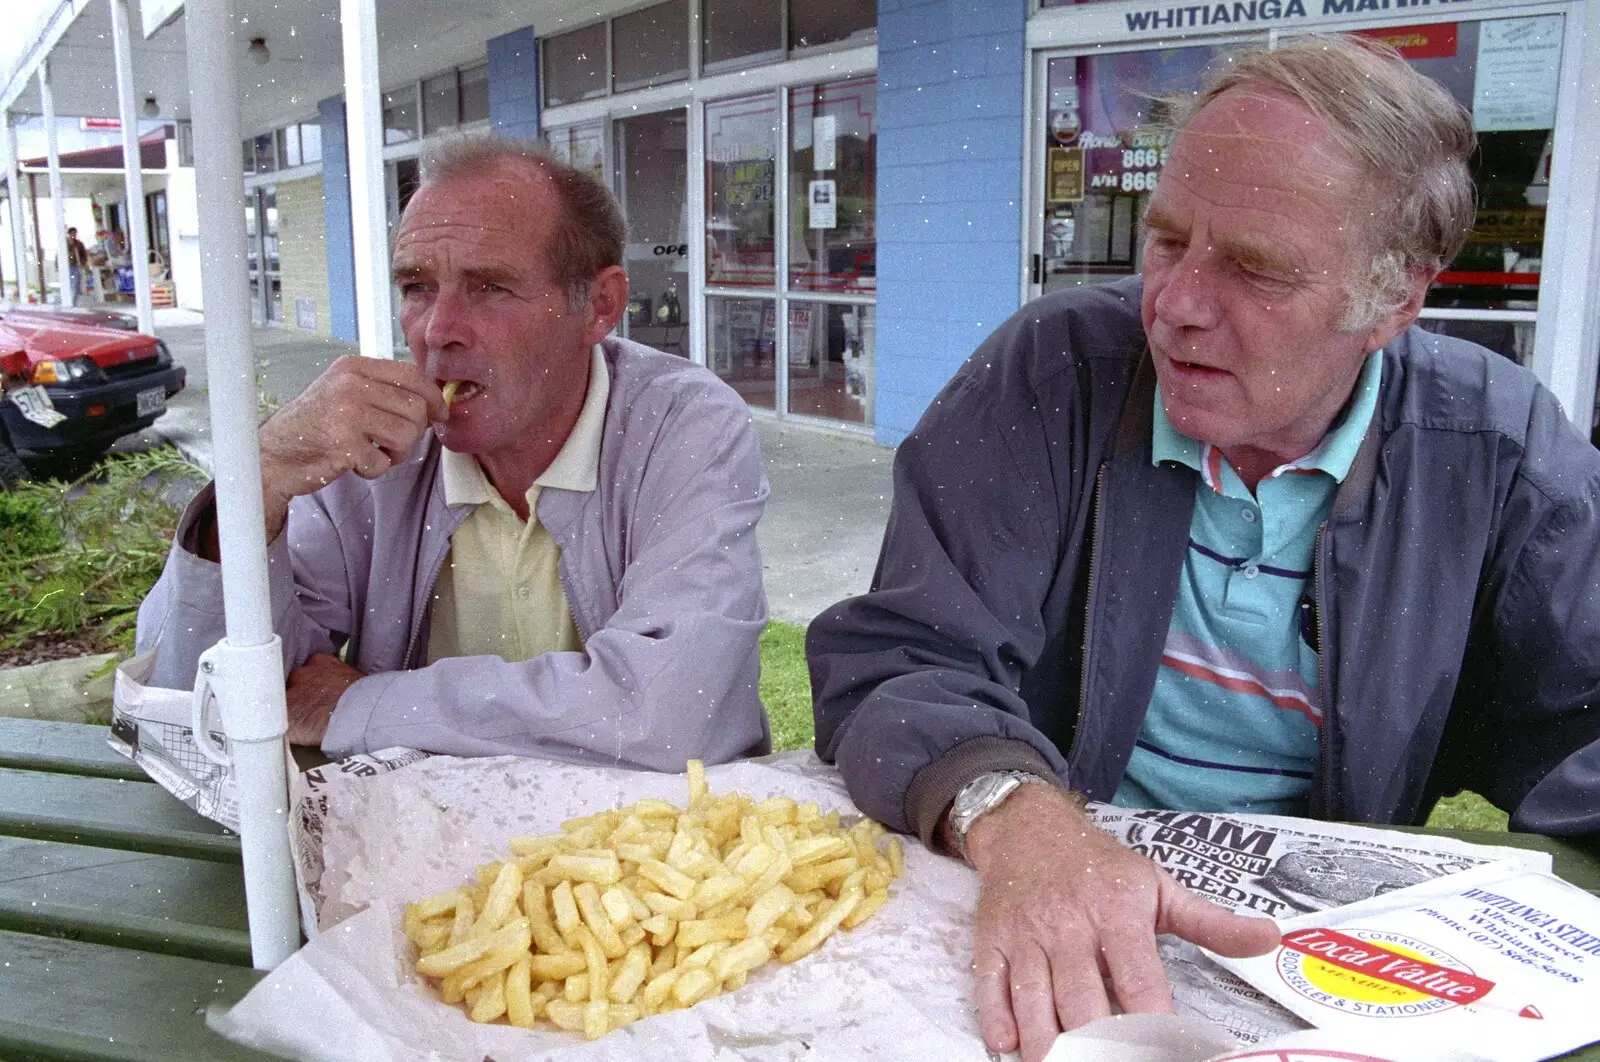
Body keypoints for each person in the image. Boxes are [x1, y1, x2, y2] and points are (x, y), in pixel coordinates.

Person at [807, 35, 1600, 1062]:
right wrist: (1015, 815)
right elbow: (903, 658)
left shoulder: (1491, 448)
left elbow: (1581, 722)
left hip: (1298, 965)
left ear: (1393, 301)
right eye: (1167, 239)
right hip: (1023, 894)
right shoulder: (1052, 375)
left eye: (1255, 269)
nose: (1175, 305)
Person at [137, 135, 772, 769]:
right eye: (416, 287)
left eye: (490, 287)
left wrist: (363, 706)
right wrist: (260, 480)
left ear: (599, 306)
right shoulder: (374, 449)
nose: (438, 330)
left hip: (647, 849)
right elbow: (204, 695)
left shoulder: (682, 424)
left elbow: (667, 713)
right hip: (420, 841)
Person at [65, 227, 89, 299]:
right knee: (68, 284)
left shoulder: (79, 244)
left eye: (75, 233)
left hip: (76, 266)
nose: (73, 235)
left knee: (75, 284)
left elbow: (84, 254)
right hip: (67, 266)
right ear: (69, 234)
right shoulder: (64, 244)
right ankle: (69, 299)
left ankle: (73, 301)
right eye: (72, 233)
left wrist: (83, 263)